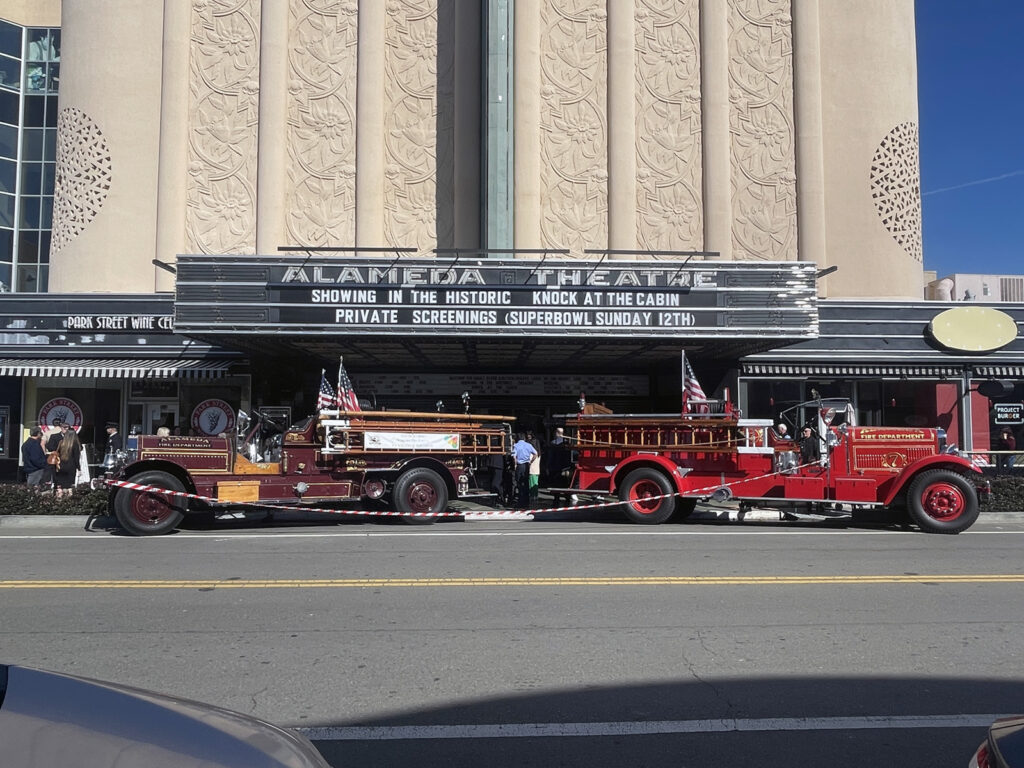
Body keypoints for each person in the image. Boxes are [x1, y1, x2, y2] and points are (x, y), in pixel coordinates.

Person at [53, 426, 82, 497]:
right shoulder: (75, 444)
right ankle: (68, 501)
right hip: (71, 467)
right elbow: (76, 458)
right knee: (70, 486)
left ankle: (59, 499)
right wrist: (79, 469)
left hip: (61, 466)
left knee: (60, 485)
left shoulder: (62, 443)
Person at [511, 433, 538, 508]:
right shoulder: (528, 445)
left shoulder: (516, 445)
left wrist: (515, 464)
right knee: (526, 483)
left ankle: (520, 502)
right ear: (524, 438)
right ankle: (526, 502)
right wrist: (530, 461)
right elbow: (535, 453)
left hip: (520, 466)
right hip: (526, 465)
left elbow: (514, 457)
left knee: (519, 483)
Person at [45, 420, 69, 488]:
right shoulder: (54, 436)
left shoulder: (71, 437)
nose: (66, 429)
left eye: (67, 427)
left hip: (68, 460)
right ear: (61, 428)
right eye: (64, 427)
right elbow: (49, 447)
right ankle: (57, 490)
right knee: (57, 478)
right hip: (58, 460)